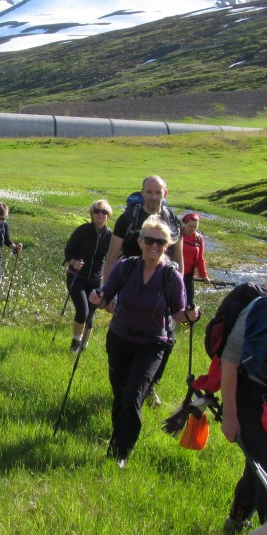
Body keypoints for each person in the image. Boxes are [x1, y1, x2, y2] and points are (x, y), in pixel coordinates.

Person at [90, 215, 200, 467]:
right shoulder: (125, 267)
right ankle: (117, 440)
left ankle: (121, 452)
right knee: (120, 395)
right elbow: (106, 295)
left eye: (160, 242)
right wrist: (98, 297)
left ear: (167, 245)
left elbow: (178, 315)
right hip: (119, 339)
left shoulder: (172, 278)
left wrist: (193, 316)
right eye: (149, 240)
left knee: (133, 395)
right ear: (140, 242)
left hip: (152, 344)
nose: (154, 246)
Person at [218, 269, 267, 535]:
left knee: (260, 468)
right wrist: (231, 417)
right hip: (252, 401)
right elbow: (230, 361)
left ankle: (237, 519)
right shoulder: (260, 309)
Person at [104, 175, 184, 407]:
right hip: (129, 286)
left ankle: (148, 385)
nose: (153, 197)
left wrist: (182, 294)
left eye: (158, 192)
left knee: (166, 339)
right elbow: (112, 255)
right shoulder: (128, 218)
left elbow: (179, 259)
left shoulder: (174, 222)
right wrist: (107, 292)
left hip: (164, 290)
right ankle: (127, 385)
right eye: (149, 192)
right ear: (142, 192)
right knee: (125, 336)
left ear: (165, 194)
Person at [63, 199, 113, 352]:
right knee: (83, 311)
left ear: (108, 216)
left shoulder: (110, 235)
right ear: (92, 214)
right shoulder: (82, 230)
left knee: (91, 314)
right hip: (76, 276)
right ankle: (75, 345)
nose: (100, 214)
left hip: (96, 279)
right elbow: (68, 250)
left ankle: (84, 347)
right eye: (97, 211)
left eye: (104, 212)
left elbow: (115, 257)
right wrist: (73, 262)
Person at [182, 212, 211, 306]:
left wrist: (204, 276)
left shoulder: (199, 239)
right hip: (174, 272)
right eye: (190, 226)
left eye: (195, 226)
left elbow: (200, 259)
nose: (193, 229)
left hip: (188, 275)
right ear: (185, 223)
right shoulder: (176, 234)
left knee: (189, 303)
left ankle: (186, 320)